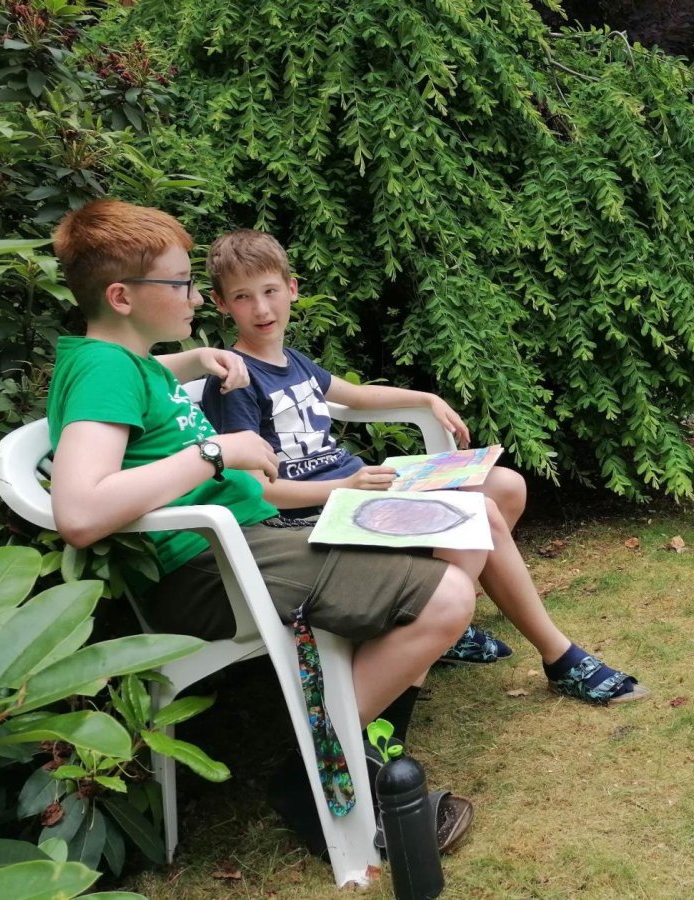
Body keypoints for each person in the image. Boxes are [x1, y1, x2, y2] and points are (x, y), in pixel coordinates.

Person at [45, 199, 481, 851]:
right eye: (180, 283)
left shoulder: (120, 361)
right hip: (212, 570)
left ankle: (362, 752)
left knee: (447, 537)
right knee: (446, 597)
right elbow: (80, 512)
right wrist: (216, 451)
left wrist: (197, 360)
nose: (196, 297)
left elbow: (138, 384)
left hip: (248, 546)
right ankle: (311, 779)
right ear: (122, 297)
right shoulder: (103, 370)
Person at [199, 228, 648, 706]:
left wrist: (426, 397)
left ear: (292, 289)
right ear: (222, 304)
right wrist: (344, 487)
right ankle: (559, 657)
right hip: (317, 517)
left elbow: (354, 396)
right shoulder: (233, 382)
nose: (262, 309)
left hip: (359, 491)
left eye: (270, 291)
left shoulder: (292, 361)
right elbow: (258, 491)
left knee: (504, 486)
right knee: (481, 515)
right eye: (243, 297)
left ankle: (444, 628)